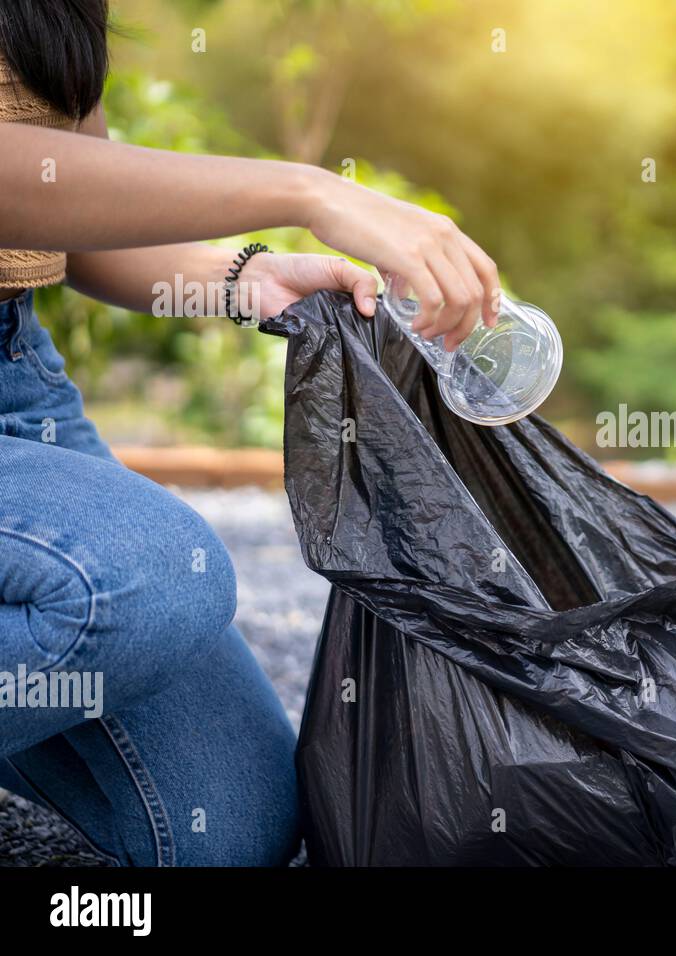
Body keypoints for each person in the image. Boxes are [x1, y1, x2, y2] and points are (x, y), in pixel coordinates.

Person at [0, 0, 498, 865]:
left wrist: (250, 277)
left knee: (228, 831)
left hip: (14, 381)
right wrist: (311, 190)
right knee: (145, 583)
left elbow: (67, 217)